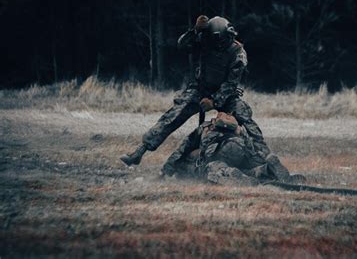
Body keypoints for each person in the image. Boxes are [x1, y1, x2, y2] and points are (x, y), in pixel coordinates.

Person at [120, 15, 284, 177]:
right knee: (174, 114)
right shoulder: (204, 42)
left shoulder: (238, 52)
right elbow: (181, 46)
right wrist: (195, 31)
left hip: (226, 95)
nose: (225, 42)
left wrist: (214, 102)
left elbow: (231, 84)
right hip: (200, 89)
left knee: (244, 116)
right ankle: (140, 151)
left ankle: (268, 160)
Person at [160, 112, 305, 185]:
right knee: (248, 169)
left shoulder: (205, 127)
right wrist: (263, 157)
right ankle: (265, 170)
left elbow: (181, 150)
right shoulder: (239, 128)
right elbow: (256, 145)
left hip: (220, 151)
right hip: (243, 149)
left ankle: (228, 173)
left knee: (211, 169)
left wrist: (165, 172)